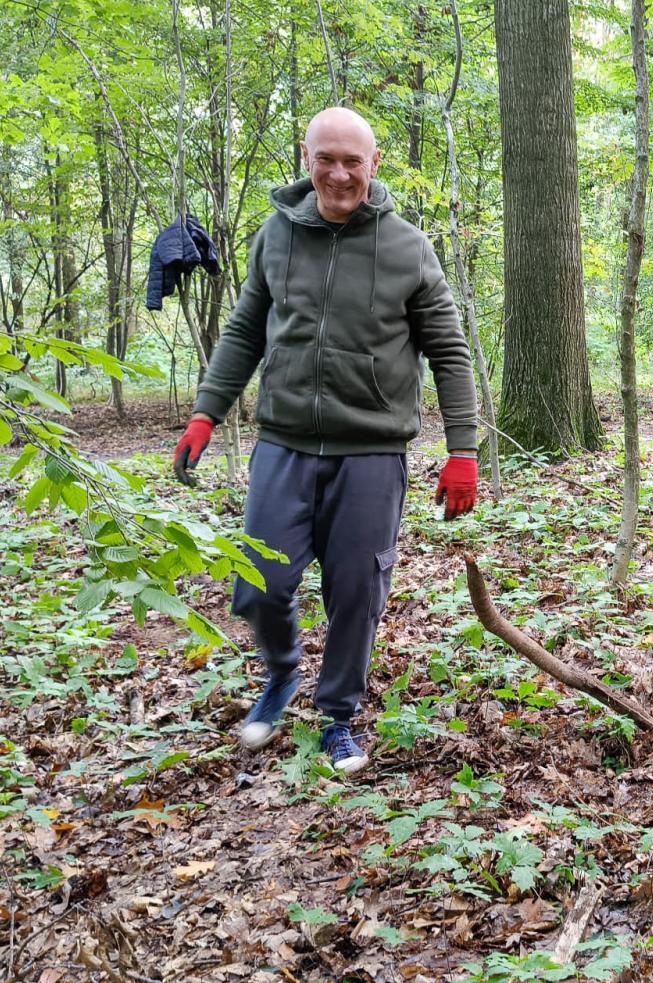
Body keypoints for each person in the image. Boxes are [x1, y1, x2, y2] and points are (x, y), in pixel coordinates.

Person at [172, 107, 479, 773]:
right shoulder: (275, 238)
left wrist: (464, 452)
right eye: (326, 159)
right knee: (259, 584)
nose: (339, 173)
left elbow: (450, 354)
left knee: (355, 594)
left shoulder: (406, 247)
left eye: (353, 161)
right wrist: (206, 413)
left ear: (374, 165)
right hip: (283, 445)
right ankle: (281, 674)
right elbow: (246, 331)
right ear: (307, 160)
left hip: (370, 452)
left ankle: (338, 715)